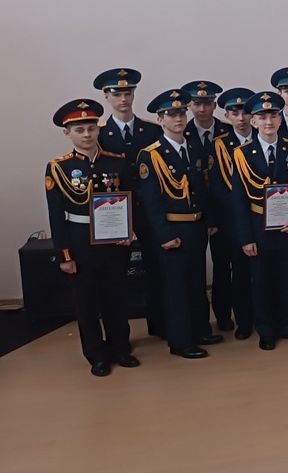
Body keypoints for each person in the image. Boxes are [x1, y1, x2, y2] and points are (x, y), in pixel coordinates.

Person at [45, 99, 137, 376]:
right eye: (79, 130)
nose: (86, 134)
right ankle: (96, 354)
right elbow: (56, 215)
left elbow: (132, 200)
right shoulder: (59, 168)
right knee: (86, 303)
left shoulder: (117, 162)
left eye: (91, 128)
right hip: (79, 241)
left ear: (98, 130)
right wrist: (64, 254)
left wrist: (129, 231)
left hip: (114, 241)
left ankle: (120, 347)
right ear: (67, 133)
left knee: (116, 297)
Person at [137, 88, 218, 359]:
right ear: (160, 120)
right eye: (171, 115)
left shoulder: (193, 147)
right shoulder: (151, 155)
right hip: (173, 229)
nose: (178, 118)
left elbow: (202, 190)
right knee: (176, 288)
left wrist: (209, 220)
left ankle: (200, 330)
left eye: (181, 113)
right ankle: (181, 341)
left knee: (197, 282)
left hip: (196, 226)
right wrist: (164, 234)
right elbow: (151, 201)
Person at [231, 91, 288, 349]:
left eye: (273, 116)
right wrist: (245, 238)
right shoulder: (242, 154)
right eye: (262, 117)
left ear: (280, 119)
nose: (269, 121)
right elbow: (239, 200)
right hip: (259, 229)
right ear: (253, 121)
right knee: (262, 281)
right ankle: (266, 330)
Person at [92, 67, 163, 337]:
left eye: (128, 93)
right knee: (115, 276)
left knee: (158, 269)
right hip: (116, 212)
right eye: (116, 94)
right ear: (106, 96)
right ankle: (119, 337)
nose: (123, 99)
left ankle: (160, 325)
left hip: (150, 210)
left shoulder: (152, 130)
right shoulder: (99, 134)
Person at [180, 80, 235, 334]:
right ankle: (199, 321)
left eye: (207, 103)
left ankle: (224, 315)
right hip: (193, 212)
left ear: (215, 105)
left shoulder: (229, 131)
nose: (202, 108)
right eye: (196, 103)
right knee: (195, 270)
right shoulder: (181, 132)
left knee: (224, 266)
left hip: (226, 212)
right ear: (189, 106)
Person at [209, 87, 257, 338]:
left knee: (260, 271)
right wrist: (239, 207)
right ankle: (242, 320)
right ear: (226, 116)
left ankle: (263, 316)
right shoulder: (218, 145)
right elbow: (215, 186)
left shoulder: (265, 137)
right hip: (231, 220)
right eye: (234, 113)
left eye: (245, 112)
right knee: (237, 271)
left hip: (261, 217)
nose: (241, 118)